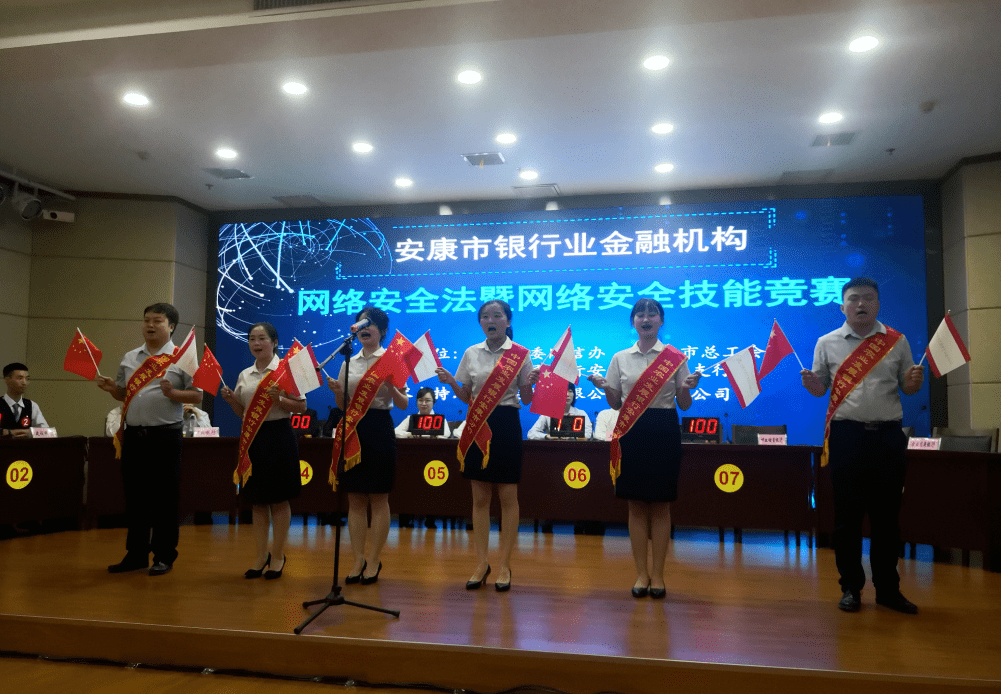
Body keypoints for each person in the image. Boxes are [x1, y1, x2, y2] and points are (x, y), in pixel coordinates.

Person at [800, 278, 924, 615]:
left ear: (878, 304)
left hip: (887, 437)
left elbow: (908, 388)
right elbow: (820, 389)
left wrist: (913, 383)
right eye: (854, 299)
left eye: (868, 298)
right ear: (843, 306)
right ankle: (851, 588)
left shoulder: (896, 341)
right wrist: (812, 385)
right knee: (847, 518)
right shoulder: (827, 342)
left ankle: (888, 590)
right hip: (847, 436)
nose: (861, 304)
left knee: (887, 517)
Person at [588, 298, 701, 599]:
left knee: (661, 505)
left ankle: (659, 576)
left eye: (652, 314)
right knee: (636, 505)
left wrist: (687, 387)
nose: (646, 318)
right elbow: (615, 403)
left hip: (664, 429)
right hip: (631, 431)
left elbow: (684, 405)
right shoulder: (620, 358)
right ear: (633, 322)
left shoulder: (674, 357)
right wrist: (605, 387)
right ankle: (641, 574)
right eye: (640, 314)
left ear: (661, 321)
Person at [97, 303, 202, 576]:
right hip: (134, 436)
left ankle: (164, 556)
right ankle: (136, 554)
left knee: (165, 499)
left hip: (165, 436)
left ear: (171, 327)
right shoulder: (130, 357)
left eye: (157, 321)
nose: (150, 325)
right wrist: (112, 389)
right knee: (135, 497)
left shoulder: (181, 357)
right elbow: (124, 394)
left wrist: (174, 394)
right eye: (146, 320)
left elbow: (197, 395)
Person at [436, 300, 534, 592]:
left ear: (507, 321)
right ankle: (481, 563)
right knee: (479, 498)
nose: (491, 320)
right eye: (485, 317)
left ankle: (504, 564)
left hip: (506, 424)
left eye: (497, 315)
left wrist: (530, 383)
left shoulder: (520, 355)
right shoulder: (471, 353)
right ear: (480, 322)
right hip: (478, 424)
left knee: (508, 497)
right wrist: (451, 382)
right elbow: (466, 396)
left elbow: (527, 399)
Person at [327, 307, 409, 585]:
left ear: (382, 331)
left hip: (379, 428)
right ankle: (357, 559)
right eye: (360, 324)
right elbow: (342, 405)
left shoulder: (391, 360)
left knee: (379, 497)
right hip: (353, 428)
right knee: (355, 498)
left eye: (370, 324)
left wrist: (392, 386)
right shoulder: (348, 360)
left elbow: (403, 403)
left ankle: (374, 559)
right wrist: (339, 393)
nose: (364, 328)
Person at [220, 322, 305, 580]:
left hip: (279, 436)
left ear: (274, 342)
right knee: (257, 502)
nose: (256, 343)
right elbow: (243, 412)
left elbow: (301, 407)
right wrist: (232, 401)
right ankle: (260, 556)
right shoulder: (245, 374)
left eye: (262, 338)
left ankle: (277, 556)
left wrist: (279, 399)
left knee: (279, 500)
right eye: (252, 339)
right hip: (253, 439)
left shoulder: (286, 371)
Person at [527, 381, 593, 440]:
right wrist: (547, 436)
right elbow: (531, 433)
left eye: (570, 391)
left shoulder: (580, 413)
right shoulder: (547, 414)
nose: (567, 395)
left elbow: (589, 434)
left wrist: (572, 437)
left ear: (574, 394)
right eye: (564, 391)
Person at [2, 362, 49, 437]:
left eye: (27, 379)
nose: (24, 382)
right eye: (20, 378)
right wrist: (6, 432)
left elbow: (49, 433)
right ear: (7, 380)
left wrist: (31, 432)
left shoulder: (31, 405)